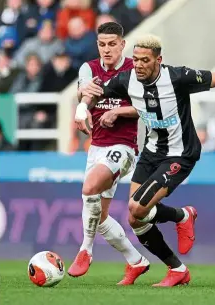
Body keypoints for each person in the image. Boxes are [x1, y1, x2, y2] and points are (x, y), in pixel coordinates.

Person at [75, 34, 215, 287]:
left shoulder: (178, 77)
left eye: (145, 60)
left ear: (159, 60)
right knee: (135, 218)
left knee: (137, 208)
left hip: (180, 153)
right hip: (151, 152)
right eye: (135, 59)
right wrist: (83, 105)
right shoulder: (126, 79)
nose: (138, 65)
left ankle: (180, 219)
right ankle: (178, 264)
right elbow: (94, 91)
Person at [68, 22, 150, 286]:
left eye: (112, 44)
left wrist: (117, 112)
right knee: (100, 217)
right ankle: (136, 261)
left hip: (124, 147)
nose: (106, 50)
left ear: (122, 44)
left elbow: (146, 108)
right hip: (97, 147)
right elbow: (85, 92)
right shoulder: (88, 69)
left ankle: (85, 250)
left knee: (89, 187)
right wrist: (82, 105)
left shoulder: (133, 70)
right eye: (102, 44)